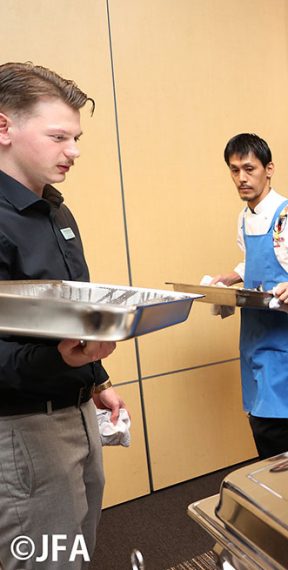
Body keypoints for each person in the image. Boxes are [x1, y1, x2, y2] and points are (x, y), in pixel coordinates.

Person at [0, 62, 126, 568]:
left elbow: (74, 315)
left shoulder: (56, 211)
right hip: (23, 430)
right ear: (4, 127)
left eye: (75, 138)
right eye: (58, 136)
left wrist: (95, 378)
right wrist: (63, 363)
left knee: (75, 547)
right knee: (45, 560)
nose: (73, 151)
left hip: (77, 414)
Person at [210, 134, 288, 459]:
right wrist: (234, 275)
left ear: (269, 169)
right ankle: (285, 490)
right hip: (253, 334)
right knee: (261, 420)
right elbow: (260, 260)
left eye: (249, 169)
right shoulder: (244, 218)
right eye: (234, 170)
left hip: (283, 340)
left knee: (270, 426)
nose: (241, 178)